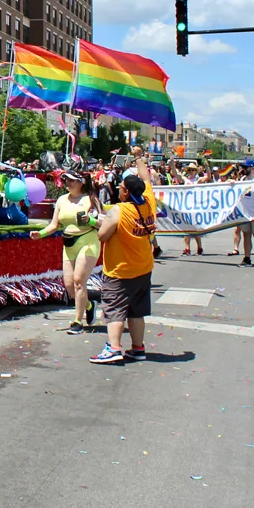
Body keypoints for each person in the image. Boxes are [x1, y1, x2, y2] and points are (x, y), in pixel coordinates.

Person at [90, 147, 156, 365]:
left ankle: (113, 348)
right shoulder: (148, 201)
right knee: (136, 311)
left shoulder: (119, 210)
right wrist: (138, 157)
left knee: (114, 310)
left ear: (126, 192)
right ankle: (138, 348)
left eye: (121, 187)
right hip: (143, 268)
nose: (118, 189)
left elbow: (102, 235)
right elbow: (146, 178)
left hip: (120, 270)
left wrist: (96, 222)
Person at [31, 171, 102, 334]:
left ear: (81, 182)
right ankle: (89, 305)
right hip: (69, 244)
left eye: (71, 180)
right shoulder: (62, 200)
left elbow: (103, 222)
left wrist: (90, 220)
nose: (67, 183)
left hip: (88, 241)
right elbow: (54, 225)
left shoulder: (91, 199)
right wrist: (40, 234)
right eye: (65, 180)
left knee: (79, 281)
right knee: (69, 285)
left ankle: (77, 321)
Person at [169, 158, 208, 255]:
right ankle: (187, 248)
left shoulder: (198, 180)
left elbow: (208, 177)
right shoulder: (186, 179)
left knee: (196, 228)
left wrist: (207, 167)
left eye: (192, 170)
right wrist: (172, 165)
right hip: (186, 206)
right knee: (186, 228)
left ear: (195, 171)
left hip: (196, 206)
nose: (191, 171)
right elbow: (176, 174)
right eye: (189, 170)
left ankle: (199, 247)